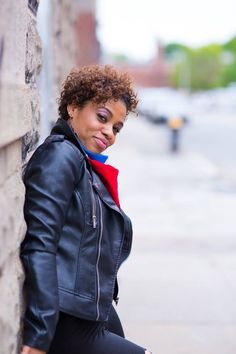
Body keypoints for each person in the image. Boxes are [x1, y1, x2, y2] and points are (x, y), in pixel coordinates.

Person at [20, 65, 152, 354]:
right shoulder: (60, 156)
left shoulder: (84, 164)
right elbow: (40, 244)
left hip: (89, 315)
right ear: (72, 107)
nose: (109, 133)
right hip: (65, 322)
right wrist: (39, 334)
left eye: (116, 127)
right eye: (102, 118)